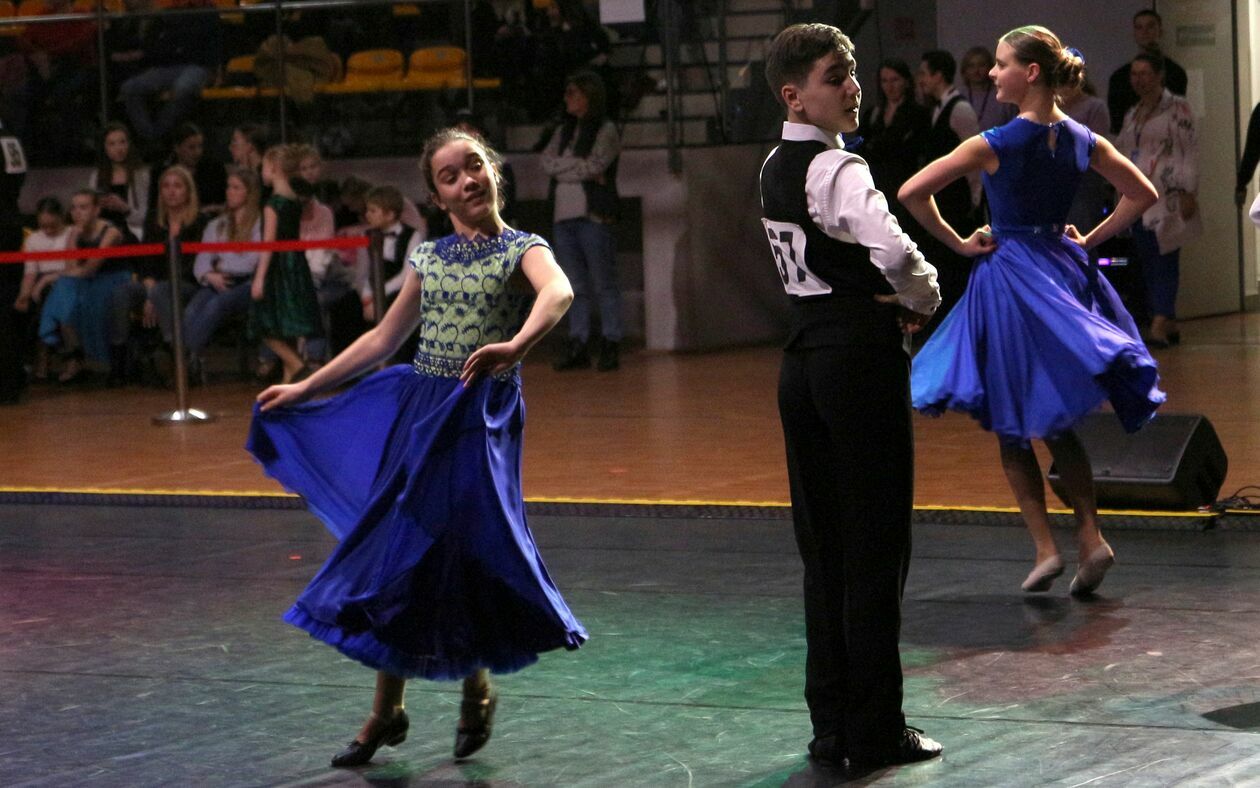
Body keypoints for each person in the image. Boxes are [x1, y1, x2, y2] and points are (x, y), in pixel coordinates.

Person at [246, 127, 587, 767]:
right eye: (450, 176)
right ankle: (393, 709)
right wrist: (307, 386)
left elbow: (559, 291)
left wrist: (516, 345)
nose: (468, 181)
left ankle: (461, 693)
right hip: (421, 410)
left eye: (474, 166)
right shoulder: (429, 257)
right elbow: (382, 339)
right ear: (436, 197)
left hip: (480, 417)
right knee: (404, 552)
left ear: (493, 172)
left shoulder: (523, 248)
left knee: (462, 552)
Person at [900, 25, 1165, 598]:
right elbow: (1143, 194)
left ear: (1032, 73)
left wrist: (959, 244)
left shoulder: (994, 142)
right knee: (1051, 417)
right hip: (1059, 273)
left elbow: (911, 193)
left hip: (1010, 279)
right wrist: (1089, 240)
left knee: (1012, 419)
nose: (993, 73)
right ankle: (1089, 537)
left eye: (1001, 64)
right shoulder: (1081, 138)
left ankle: (1046, 547)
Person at [760, 23, 943, 772]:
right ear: (795, 95)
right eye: (836, 77)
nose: (853, 87)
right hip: (857, 364)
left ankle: (832, 724)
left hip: (801, 364)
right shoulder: (838, 168)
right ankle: (874, 731)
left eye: (853, 72)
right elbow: (895, 250)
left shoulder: (773, 165)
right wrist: (922, 296)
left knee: (825, 552)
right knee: (874, 549)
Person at [541, 70, 624, 372]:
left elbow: (596, 165)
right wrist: (575, 166)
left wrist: (568, 168)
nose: (567, 99)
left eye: (573, 93)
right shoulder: (563, 130)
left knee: (604, 283)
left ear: (589, 96)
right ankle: (579, 342)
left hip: (593, 216)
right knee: (573, 285)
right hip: (563, 217)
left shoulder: (606, 129)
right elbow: (547, 162)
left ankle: (611, 342)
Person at [1115, 53, 1199, 348]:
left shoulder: (1178, 108)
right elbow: (1124, 152)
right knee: (1147, 259)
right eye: (1134, 74)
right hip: (1138, 195)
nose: (1138, 80)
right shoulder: (1133, 113)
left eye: (1145, 73)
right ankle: (1168, 319)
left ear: (1159, 75)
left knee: (1165, 258)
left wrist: (1188, 191)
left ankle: (1160, 321)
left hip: (1167, 196)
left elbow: (1188, 150)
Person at [917, 50, 982, 329]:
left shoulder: (960, 109)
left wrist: (976, 200)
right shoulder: (937, 108)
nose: (921, 80)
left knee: (957, 266)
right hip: (944, 199)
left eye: (924, 73)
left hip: (959, 201)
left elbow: (977, 159)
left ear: (938, 75)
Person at [249, 145, 322, 384]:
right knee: (286, 326)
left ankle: (298, 367)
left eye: (264, 168)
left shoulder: (274, 204)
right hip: (295, 263)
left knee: (266, 325)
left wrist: (259, 278)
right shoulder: (295, 201)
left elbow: (269, 243)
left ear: (274, 169)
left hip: (278, 267)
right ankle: (289, 382)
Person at [36, 190, 125, 384]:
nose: (77, 212)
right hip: (85, 279)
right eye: (74, 208)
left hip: (112, 278)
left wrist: (49, 278)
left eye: (83, 207)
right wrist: (73, 237)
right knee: (64, 289)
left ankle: (64, 346)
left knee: (70, 292)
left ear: (96, 210)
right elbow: (71, 267)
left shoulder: (110, 232)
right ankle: (74, 354)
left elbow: (90, 268)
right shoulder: (74, 232)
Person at [183, 167, 262, 382]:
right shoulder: (216, 225)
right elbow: (201, 262)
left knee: (216, 305)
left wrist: (224, 263)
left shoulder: (260, 225)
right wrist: (211, 275)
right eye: (228, 187)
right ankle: (190, 360)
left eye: (236, 188)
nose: (229, 192)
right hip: (216, 279)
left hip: (245, 283)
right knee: (191, 310)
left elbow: (251, 261)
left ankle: (182, 361)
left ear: (249, 193)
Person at [856, 59, 930, 234]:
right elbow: (862, 147)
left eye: (895, 80)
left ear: (906, 81)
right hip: (877, 187)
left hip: (905, 185)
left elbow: (920, 153)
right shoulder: (872, 114)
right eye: (884, 81)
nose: (889, 86)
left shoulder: (918, 113)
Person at [13, 197, 73, 383]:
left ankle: (43, 358)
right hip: (39, 282)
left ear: (62, 217)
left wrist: (46, 280)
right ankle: (27, 359)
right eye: (43, 226)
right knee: (22, 306)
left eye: (53, 226)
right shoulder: (33, 239)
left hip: (68, 280)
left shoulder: (72, 235)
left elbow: (74, 268)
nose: (48, 231)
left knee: (48, 297)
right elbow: (30, 272)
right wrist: (23, 295)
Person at [1106, 9, 1188, 135]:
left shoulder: (1176, 73)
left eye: (1150, 26)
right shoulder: (1119, 78)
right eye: (1139, 27)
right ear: (1134, 33)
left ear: (1160, 31)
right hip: (1131, 139)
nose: (1145, 32)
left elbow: (1178, 116)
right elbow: (1117, 125)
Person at [88, 122, 149, 243]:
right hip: (103, 235)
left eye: (122, 142)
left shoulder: (141, 175)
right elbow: (89, 213)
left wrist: (125, 208)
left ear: (129, 144)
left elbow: (146, 217)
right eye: (112, 144)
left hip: (133, 234)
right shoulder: (97, 176)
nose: (119, 148)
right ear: (104, 148)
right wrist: (98, 205)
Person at [148, 122, 228, 213]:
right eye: (191, 147)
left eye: (200, 146)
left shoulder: (214, 169)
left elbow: (226, 203)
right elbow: (154, 208)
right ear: (177, 148)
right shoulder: (162, 172)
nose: (198, 152)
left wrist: (213, 209)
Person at [959, 46, 1017, 132]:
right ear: (965, 70)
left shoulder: (1003, 95)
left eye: (981, 65)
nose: (976, 71)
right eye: (971, 66)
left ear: (990, 67)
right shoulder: (959, 96)